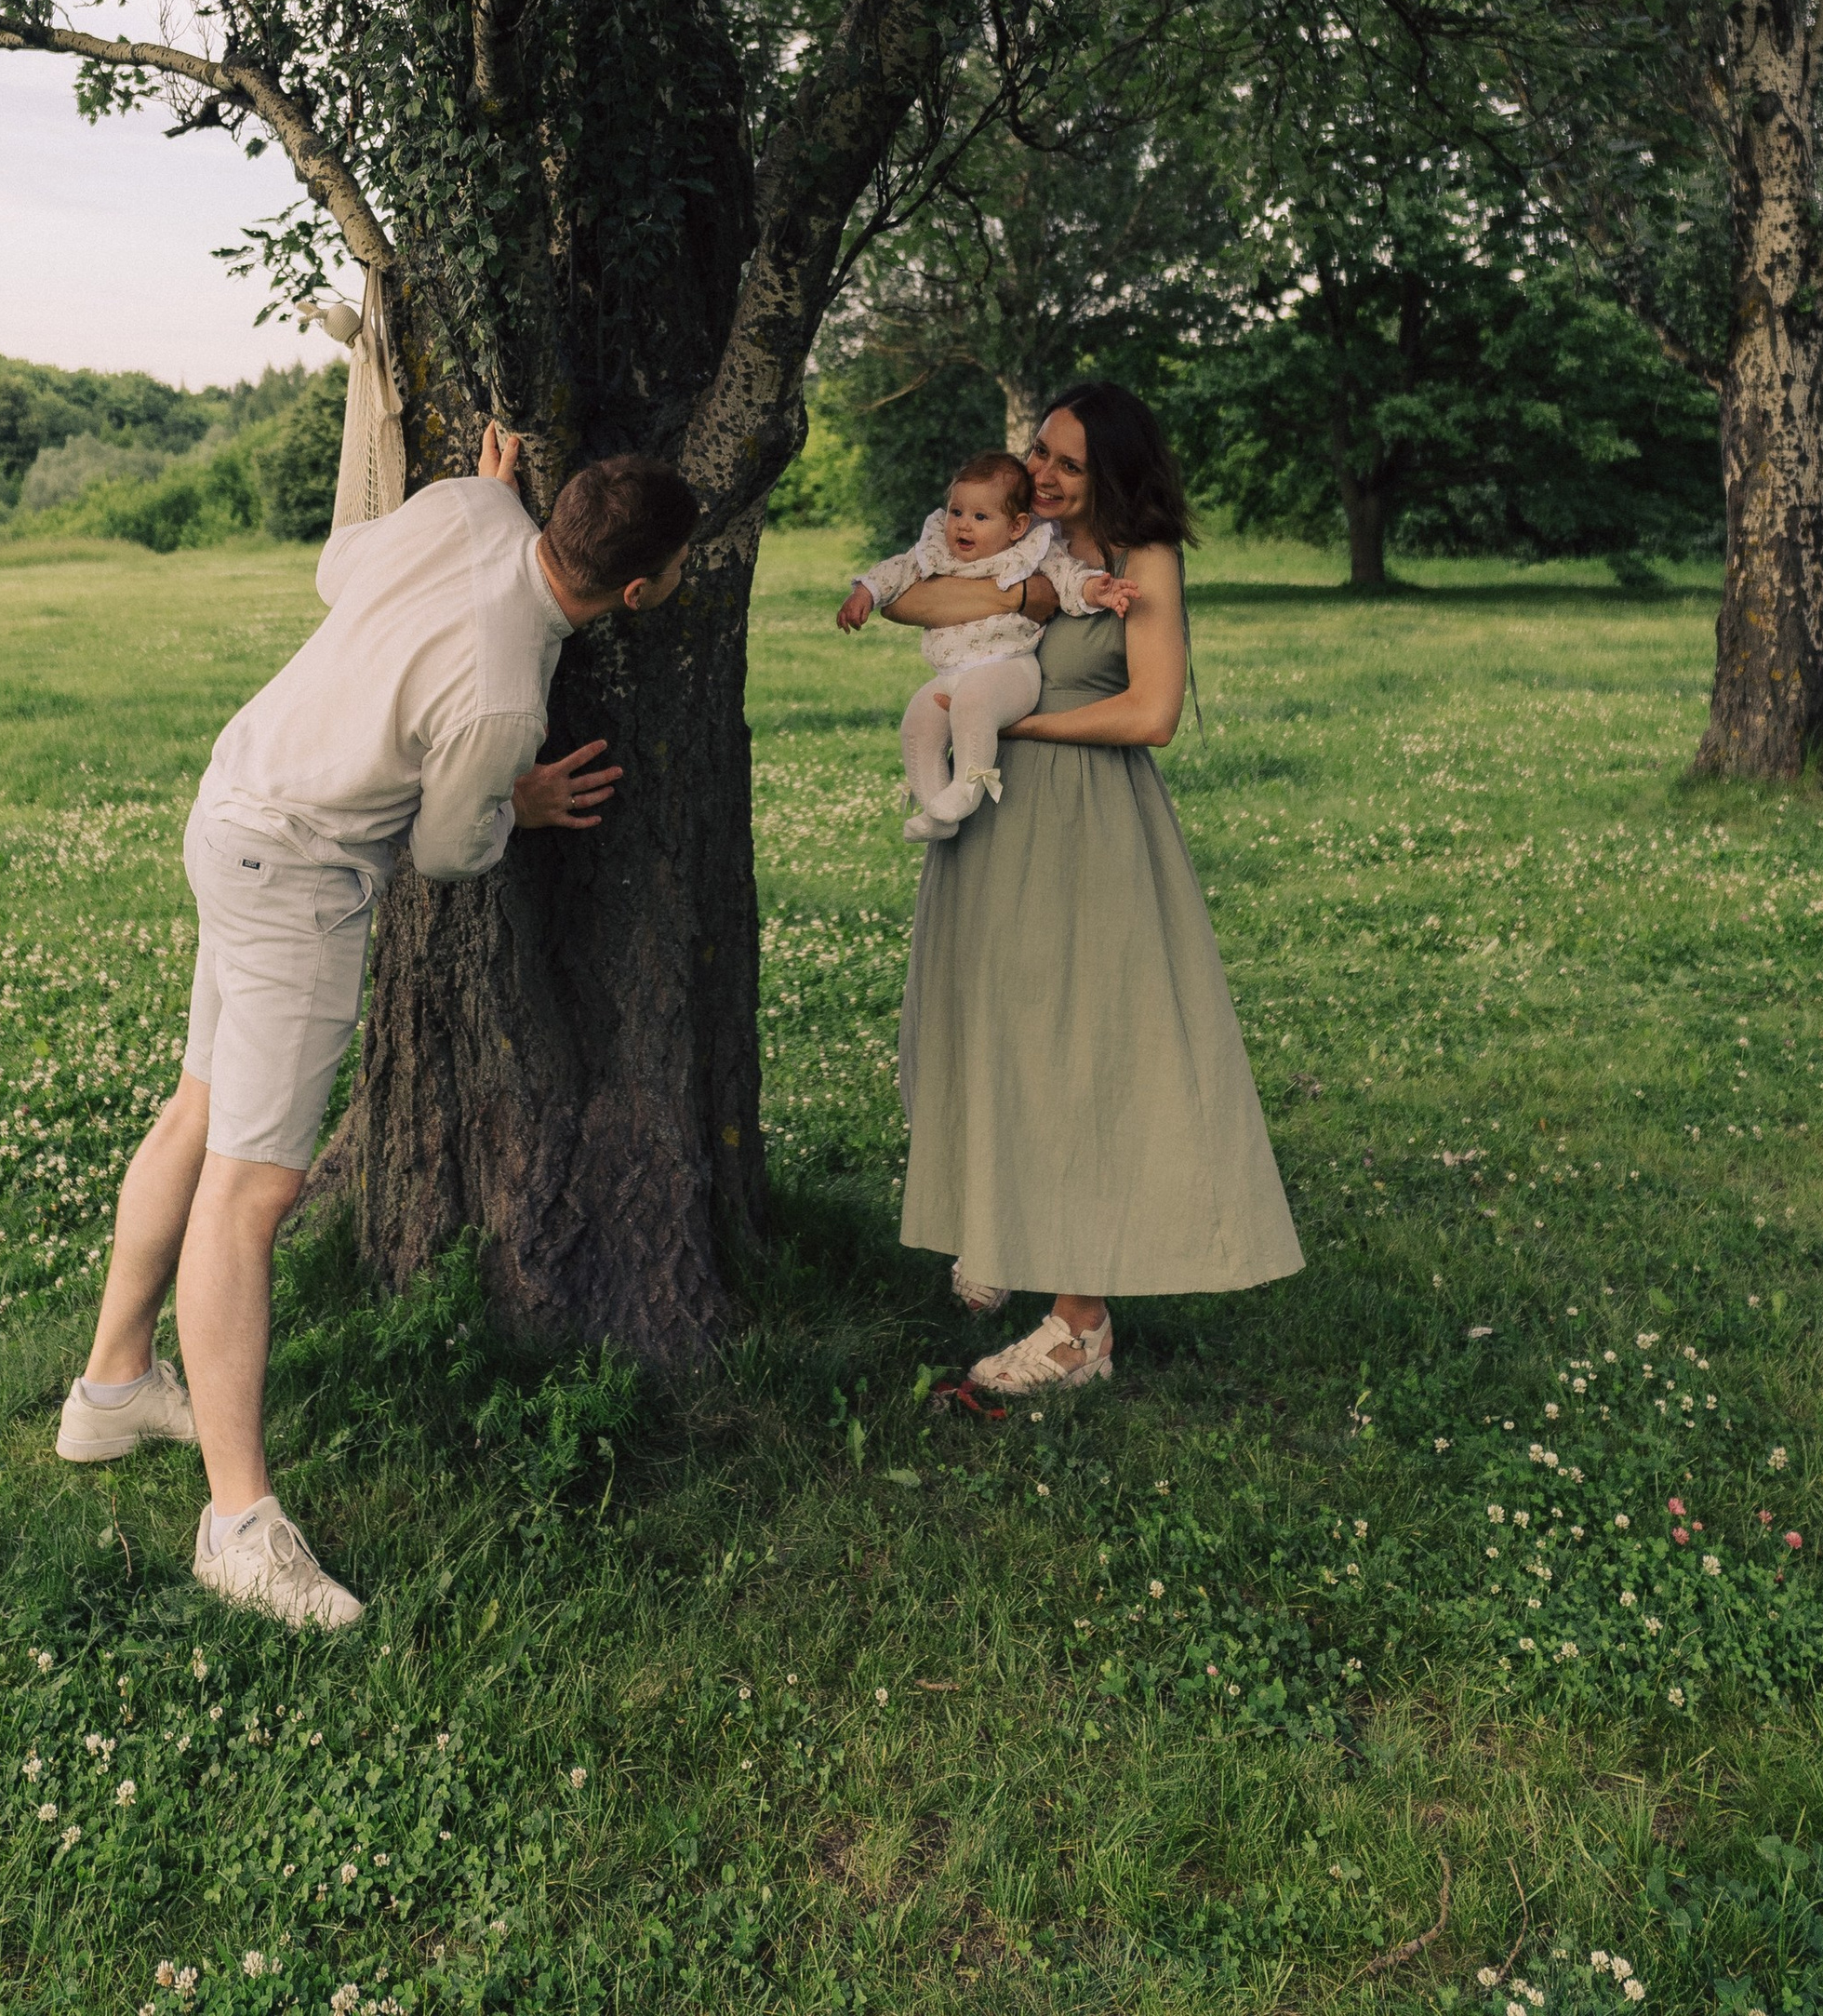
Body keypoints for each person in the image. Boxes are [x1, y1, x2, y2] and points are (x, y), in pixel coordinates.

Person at [55, 427, 697, 1623]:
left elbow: (341, 568)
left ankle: (110, 1390)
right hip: (293, 876)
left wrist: (480, 498)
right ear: (641, 589)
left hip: (231, 814)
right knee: (249, 1193)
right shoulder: (508, 693)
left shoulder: (463, 508)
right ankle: (236, 1525)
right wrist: (519, 800)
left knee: (199, 1111)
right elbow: (454, 852)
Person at [878, 382, 1299, 1395]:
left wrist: (1016, 730)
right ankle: (997, 1231)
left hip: (1084, 823)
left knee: (1078, 1050)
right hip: (992, 828)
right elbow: (906, 597)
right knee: (995, 1032)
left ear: (1114, 466)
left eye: (1068, 460)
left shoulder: (1142, 559)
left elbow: (1149, 713)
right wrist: (1022, 594)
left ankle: (1078, 1328)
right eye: (1041, 455)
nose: (1046, 474)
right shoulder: (1031, 552)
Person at [835, 451, 1132, 838]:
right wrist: (865, 592)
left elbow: (1068, 577)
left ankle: (966, 791)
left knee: (974, 705)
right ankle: (936, 809)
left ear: (1016, 526)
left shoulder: (1030, 550)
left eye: (980, 518)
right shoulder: (939, 550)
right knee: (917, 723)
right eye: (957, 512)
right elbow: (898, 569)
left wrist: (1097, 591)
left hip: (1009, 669)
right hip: (950, 675)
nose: (963, 526)